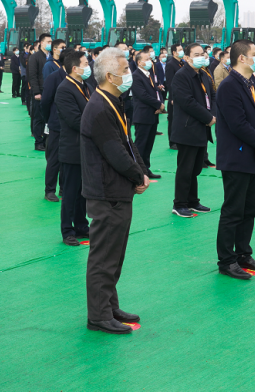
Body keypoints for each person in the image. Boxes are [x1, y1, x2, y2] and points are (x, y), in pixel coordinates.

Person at [80, 48, 149, 334]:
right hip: (107, 193)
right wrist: (137, 175)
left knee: (114, 255)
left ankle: (109, 305)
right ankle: (99, 315)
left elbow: (127, 144)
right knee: (104, 256)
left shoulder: (112, 101)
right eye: (124, 70)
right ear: (109, 76)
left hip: (117, 190)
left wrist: (141, 170)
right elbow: (115, 154)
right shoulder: (99, 108)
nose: (128, 75)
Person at [214, 39, 255, 277]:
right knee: (233, 210)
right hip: (237, 157)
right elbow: (238, 124)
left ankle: (243, 253)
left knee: (249, 209)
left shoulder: (254, 82)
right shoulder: (229, 86)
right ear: (242, 58)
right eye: (254, 54)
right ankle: (227, 260)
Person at [169, 44, 215, 218]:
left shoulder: (203, 75)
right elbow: (187, 102)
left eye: (202, 54)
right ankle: (179, 203)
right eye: (196, 54)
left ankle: (193, 201)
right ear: (187, 58)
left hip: (202, 128)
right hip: (188, 129)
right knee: (185, 168)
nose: (201, 57)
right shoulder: (181, 76)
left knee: (196, 168)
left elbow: (213, 96)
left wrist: (214, 114)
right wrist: (208, 117)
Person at [54, 50, 91, 245]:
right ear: (75, 68)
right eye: (86, 63)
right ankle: (67, 230)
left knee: (82, 192)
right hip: (72, 150)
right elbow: (75, 120)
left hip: (86, 149)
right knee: (69, 193)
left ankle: (81, 225)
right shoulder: (65, 89)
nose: (89, 66)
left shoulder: (85, 86)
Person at [40, 44, 67, 202]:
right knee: (54, 159)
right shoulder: (54, 77)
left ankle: (64, 187)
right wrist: (49, 119)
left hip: (72, 127)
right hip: (56, 124)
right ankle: (50, 190)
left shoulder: (79, 80)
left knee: (68, 159)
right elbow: (45, 102)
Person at [130, 50, 163, 180]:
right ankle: (137, 172)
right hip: (143, 115)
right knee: (140, 145)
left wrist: (159, 103)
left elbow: (155, 91)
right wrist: (158, 104)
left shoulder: (149, 74)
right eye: (147, 59)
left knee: (149, 145)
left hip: (152, 115)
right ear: (139, 62)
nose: (150, 61)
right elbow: (142, 95)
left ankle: (146, 169)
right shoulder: (136, 75)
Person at [28, 34, 51, 151]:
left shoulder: (51, 57)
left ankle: (46, 140)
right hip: (39, 92)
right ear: (41, 43)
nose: (50, 44)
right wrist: (36, 92)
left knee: (47, 117)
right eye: (48, 41)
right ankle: (38, 142)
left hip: (49, 91)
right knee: (38, 117)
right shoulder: (35, 57)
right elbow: (32, 76)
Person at [165, 43, 184, 150]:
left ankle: (179, 140)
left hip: (182, 95)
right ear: (174, 52)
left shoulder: (182, 63)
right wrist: (171, 97)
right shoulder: (171, 64)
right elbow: (170, 82)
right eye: (180, 50)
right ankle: (172, 142)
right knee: (173, 120)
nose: (182, 51)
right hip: (174, 97)